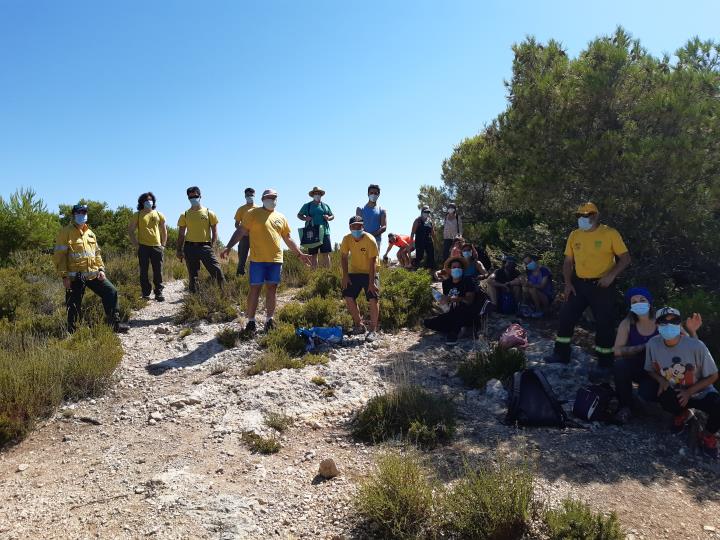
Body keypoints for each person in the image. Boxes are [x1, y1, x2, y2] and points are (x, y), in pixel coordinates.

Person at [544, 202, 631, 373]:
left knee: (604, 324)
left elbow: (625, 258)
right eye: (580, 215)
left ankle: (605, 363)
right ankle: (561, 354)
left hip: (602, 285)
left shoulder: (609, 233)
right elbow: (568, 261)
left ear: (596, 215)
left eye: (587, 214)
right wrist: (568, 283)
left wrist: (611, 275)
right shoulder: (574, 235)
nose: (583, 218)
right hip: (579, 284)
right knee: (566, 317)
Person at [221, 189, 311, 334]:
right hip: (258, 260)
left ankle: (269, 320)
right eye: (269, 197)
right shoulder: (253, 213)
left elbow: (287, 238)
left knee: (272, 290)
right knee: (254, 290)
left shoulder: (281, 217)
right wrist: (228, 247)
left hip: (275, 260)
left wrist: (299, 254)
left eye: (274, 197)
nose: (272, 199)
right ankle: (251, 321)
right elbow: (241, 231)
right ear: (263, 199)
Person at [613, 289, 701, 424]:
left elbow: (689, 343)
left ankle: (674, 408)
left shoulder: (663, 319)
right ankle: (625, 406)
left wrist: (693, 332)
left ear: (650, 302)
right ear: (630, 306)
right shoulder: (627, 323)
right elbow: (617, 351)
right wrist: (641, 347)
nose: (639, 304)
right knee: (620, 365)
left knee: (646, 392)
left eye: (642, 300)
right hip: (638, 364)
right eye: (634, 302)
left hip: (661, 369)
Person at [643, 307, 718, 459]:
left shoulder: (696, 346)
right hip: (676, 390)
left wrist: (689, 392)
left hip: (701, 391)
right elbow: (650, 369)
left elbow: (713, 376)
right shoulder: (653, 344)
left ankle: (707, 434)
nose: (669, 325)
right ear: (657, 325)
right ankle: (682, 414)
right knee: (662, 396)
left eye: (674, 321)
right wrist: (661, 379)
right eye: (664, 322)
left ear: (679, 324)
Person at [54, 204, 129, 334]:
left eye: (84, 213)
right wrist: (64, 276)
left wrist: (101, 269)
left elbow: (97, 253)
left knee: (111, 291)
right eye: (79, 213)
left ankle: (114, 323)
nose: (82, 215)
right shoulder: (65, 233)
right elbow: (59, 257)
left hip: (93, 275)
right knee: (73, 305)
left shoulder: (90, 234)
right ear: (73, 215)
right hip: (75, 277)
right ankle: (73, 333)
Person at [176, 186, 225, 293]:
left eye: (195, 196)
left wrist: (212, 245)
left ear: (200, 196)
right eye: (190, 197)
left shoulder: (209, 213)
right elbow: (181, 234)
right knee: (193, 276)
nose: (193, 198)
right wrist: (179, 250)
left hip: (205, 247)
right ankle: (194, 301)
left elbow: (215, 232)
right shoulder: (184, 214)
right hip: (189, 248)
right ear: (188, 198)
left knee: (217, 272)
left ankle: (224, 295)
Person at [340, 216, 380, 342]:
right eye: (354, 226)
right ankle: (359, 325)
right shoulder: (347, 239)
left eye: (359, 226)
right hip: (355, 271)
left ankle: (373, 330)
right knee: (348, 295)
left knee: (373, 297)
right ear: (350, 227)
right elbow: (344, 257)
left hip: (371, 271)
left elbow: (373, 262)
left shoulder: (370, 239)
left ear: (363, 226)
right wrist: (345, 275)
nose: (356, 228)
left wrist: (371, 282)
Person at [423, 257, 477, 346]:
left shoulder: (468, 280)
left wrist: (455, 299)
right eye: (454, 267)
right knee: (429, 323)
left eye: (459, 267)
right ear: (450, 269)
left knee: (459, 310)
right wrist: (443, 301)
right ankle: (461, 328)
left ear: (462, 269)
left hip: (465, 311)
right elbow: (447, 300)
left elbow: (469, 301)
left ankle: (455, 332)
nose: (456, 269)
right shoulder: (446, 283)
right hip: (451, 311)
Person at [128, 192, 167, 302]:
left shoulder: (159, 214)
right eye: (146, 200)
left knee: (158, 271)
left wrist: (163, 244)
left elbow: (164, 230)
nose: (148, 202)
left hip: (157, 247)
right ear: (142, 202)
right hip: (143, 247)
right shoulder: (138, 214)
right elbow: (130, 231)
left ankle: (159, 292)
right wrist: (136, 245)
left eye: (150, 200)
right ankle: (146, 293)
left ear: (153, 201)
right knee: (144, 272)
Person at [298, 186, 334, 269]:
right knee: (313, 255)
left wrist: (329, 218)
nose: (317, 195)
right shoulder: (307, 205)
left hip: (325, 232)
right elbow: (299, 215)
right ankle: (315, 275)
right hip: (312, 233)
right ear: (313, 195)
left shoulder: (325, 206)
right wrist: (305, 218)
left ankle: (328, 275)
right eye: (315, 193)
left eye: (319, 193)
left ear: (321, 195)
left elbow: (332, 215)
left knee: (326, 254)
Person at [233, 187, 258, 276]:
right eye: (247, 195)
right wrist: (243, 232)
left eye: (251, 195)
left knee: (257, 258)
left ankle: (256, 276)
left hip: (256, 238)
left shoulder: (259, 209)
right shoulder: (241, 209)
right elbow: (236, 224)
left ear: (254, 195)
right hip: (244, 237)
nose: (249, 196)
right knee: (242, 259)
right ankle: (240, 277)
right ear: (244, 196)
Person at [356, 184, 387, 250]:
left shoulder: (382, 210)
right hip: (362, 240)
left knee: (375, 260)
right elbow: (357, 225)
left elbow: (384, 226)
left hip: (376, 241)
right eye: (371, 193)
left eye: (376, 193)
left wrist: (372, 235)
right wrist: (365, 235)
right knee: (362, 260)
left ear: (379, 195)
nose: (373, 194)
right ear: (368, 194)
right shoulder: (360, 209)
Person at [411, 206, 435, 270]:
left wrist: (435, 241)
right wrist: (411, 243)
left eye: (428, 212)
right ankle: (416, 269)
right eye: (425, 212)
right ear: (422, 212)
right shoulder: (417, 220)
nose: (427, 213)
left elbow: (432, 232)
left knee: (431, 255)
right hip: (419, 241)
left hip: (428, 241)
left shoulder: (430, 221)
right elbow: (412, 232)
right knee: (419, 256)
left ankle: (430, 270)